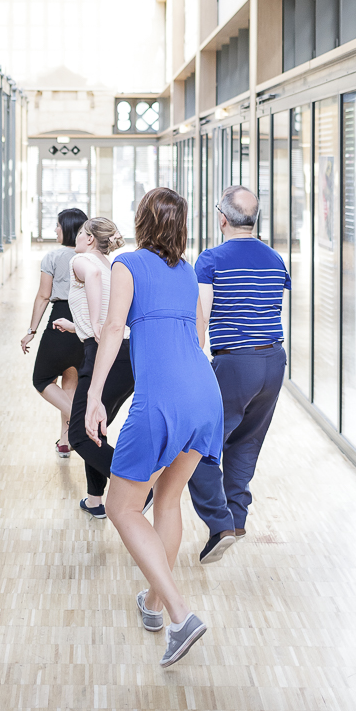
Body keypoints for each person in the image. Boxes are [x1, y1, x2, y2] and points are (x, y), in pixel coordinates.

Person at [86, 187, 223, 668]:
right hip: (205, 395)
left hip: (161, 400)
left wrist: (94, 395)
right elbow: (197, 332)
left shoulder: (127, 264)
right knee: (166, 499)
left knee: (122, 508)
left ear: (141, 221)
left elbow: (110, 330)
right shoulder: (186, 272)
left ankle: (181, 615)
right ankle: (154, 602)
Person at [189, 185, 289, 565]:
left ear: (222, 218)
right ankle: (238, 518)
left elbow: (202, 318)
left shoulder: (211, 259)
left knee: (198, 443)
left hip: (234, 362)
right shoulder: (275, 259)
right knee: (246, 442)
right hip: (273, 362)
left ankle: (219, 523)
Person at [56, 216, 135, 518]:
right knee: (94, 430)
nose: (75, 239)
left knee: (78, 434)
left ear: (89, 238)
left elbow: (92, 279)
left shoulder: (83, 260)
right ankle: (94, 500)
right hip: (126, 354)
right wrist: (79, 326)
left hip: (104, 354)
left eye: (79, 234)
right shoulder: (113, 266)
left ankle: (138, 489)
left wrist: (95, 324)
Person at [20, 208, 86, 457]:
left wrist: (31, 330)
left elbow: (44, 295)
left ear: (67, 228)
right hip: (83, 325)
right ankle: (66, 441)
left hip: (61, 320)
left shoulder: (53, 257)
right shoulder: (92, 257)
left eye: (57, 226)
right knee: (71, 378)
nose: (54, 230)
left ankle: (83, 422)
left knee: (42, 379)